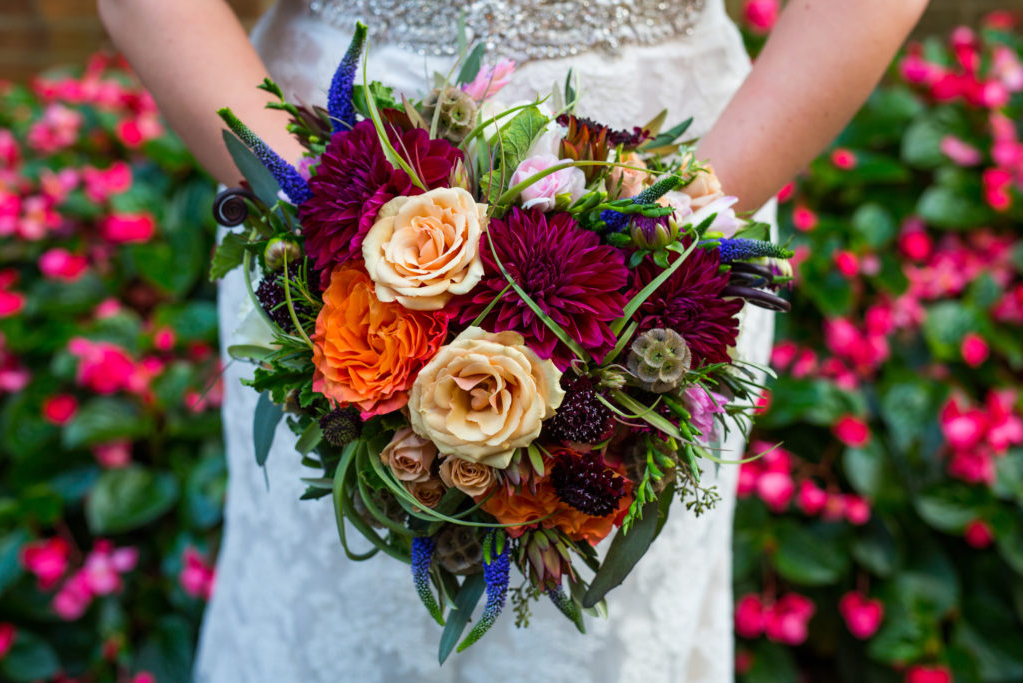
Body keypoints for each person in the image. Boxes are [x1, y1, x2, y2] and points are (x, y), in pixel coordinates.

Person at [99, 1, 929, 681]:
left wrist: (676, 236)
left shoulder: (680, 235)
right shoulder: (319, 215)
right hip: (327, 184)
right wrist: (317, 218)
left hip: (693, 186)